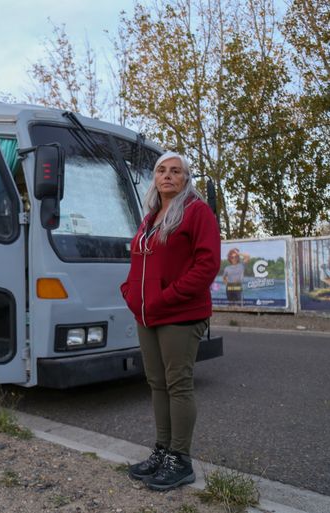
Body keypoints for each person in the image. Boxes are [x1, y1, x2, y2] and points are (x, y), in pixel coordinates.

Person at [119, 152, 220, 491]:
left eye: (176, 171)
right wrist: (130, 292)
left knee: (178, 384)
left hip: (180, 313)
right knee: (156, 383)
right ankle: (163, 451)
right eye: (162, 170)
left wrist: (166, 296)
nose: (168, 176)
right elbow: (138, 262)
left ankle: (181, 459)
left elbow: (206, 266)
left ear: (185, 178)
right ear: (155, 178)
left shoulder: (196, 212)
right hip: (147, 314)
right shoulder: (150, 217)